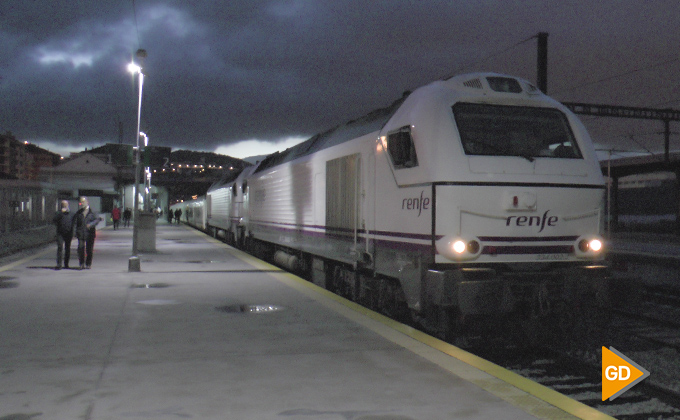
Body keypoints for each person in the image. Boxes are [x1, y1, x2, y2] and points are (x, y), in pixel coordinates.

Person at [73, 197, 101, 269]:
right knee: (80, 248)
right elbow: (76, 223)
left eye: (83, 202)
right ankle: (81, 263)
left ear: (87, 202)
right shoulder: (79, 212)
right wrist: (75, 232)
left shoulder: (92, 212)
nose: (82, 203)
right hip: (81, 233)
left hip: (90, 233)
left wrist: (91, 224)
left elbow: (97, 220)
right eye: (81, 202)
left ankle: (88, 263)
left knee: (89, 249)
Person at [52, 200, 73, 270]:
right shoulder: (58, 213)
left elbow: (74, 223)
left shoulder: (71, 214)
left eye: (66, 204)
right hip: (60, 233)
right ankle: (59, 264)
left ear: (68, 205)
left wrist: (73, 232)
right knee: (60, 247)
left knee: (67, 249)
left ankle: (66, 264)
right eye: (63, 204)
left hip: (68, 233)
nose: (64, 206)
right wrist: (61, 213)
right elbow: (54, 220)